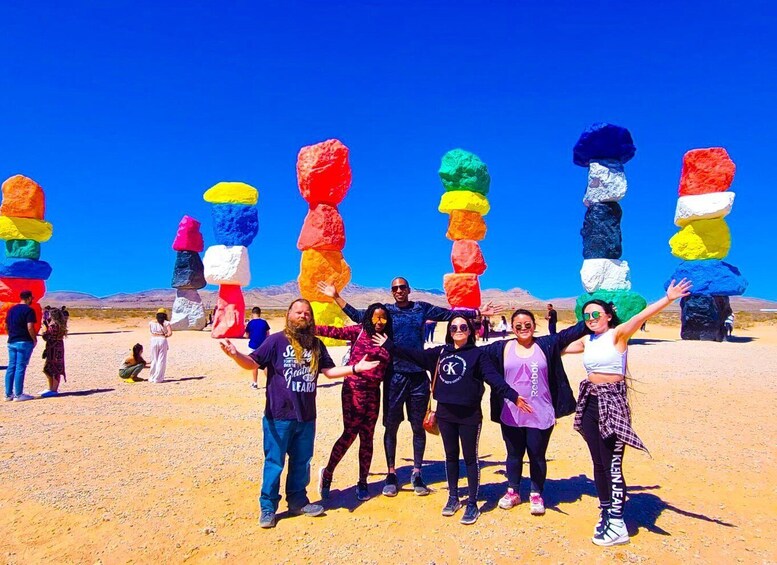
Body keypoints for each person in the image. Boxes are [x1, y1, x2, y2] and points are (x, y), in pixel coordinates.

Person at [317, 277, 492, 498]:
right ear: (392, 292)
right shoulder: (386, 312)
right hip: (394, 376)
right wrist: (335, 297)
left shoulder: (421, 308)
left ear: (409, 289)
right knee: (391, 427)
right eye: (395, 288)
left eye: (402, 287)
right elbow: (360, 317)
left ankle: (417, 472)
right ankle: (391, 474)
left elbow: (449, 315)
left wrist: (476, 313)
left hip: (418, 376)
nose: (399, 290)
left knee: (418, 427)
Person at [219, 298, 380, 528]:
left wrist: (355, 368)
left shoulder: (316, 345)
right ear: (288, 315)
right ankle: (268, 508)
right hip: (279, 415)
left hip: (306, 416)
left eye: (307, 313)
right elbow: (252, 363)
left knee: (302, 461)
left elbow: (329, 371)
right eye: (298, 312)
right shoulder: (275, 341)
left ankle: (297, 501)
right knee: (274, 462)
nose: (303, 316)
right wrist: (235, 354)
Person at [564, 278, 692, 547]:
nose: (591, 318)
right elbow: (557, 348)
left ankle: (618, 523)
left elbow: (644, 315)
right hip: (590, 401)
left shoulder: (618, 334)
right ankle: (606, 510)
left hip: (613, 402)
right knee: (598, 462)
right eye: (587, 315)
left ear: (609, 316)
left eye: (597, 313)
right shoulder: (587, 341)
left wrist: (669, 298)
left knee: (612, 463)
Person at [373, 316, 530, 525]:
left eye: (463, 327)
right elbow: (414, 355)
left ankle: (473, 502)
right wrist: (389, 345)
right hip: (445, 414)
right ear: (449, 330)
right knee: (450, 457)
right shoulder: (440, 353)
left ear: (470, 331)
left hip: (469, 416)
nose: (458, 330)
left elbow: (494, 379)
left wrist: (513, 396)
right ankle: (454, 497)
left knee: (471, 458)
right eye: (454, 327)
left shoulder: (478, 355)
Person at [481, 309, 591, 516]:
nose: (523, 329)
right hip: (511, 412)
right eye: (518, 326)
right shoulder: (500, 348)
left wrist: (594, 316)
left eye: (527, 325)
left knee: (537, 455)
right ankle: (513, 490)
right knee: (513, 454)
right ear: (512, 328)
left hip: (541, 412)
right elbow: (472, 352)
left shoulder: (546, 345)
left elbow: (573, 332)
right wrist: (474, 315)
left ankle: (536, 493)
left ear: (534, 325)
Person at [315, 303, 393, 502]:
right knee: (350, 433)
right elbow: (333, 331)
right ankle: (328, 473)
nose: (379, 322)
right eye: (376, 317)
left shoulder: (388, 340)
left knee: (368, 437)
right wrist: (308, 327)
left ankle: (362, 482)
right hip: (353, 390)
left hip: (374, 393)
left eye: (383, 318)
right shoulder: (358, 332)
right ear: (368, 317)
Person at [4, 290, 38, 402]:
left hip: (12, 341)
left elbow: (6, 325)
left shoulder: (11, 309)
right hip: (24, 341)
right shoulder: (29, 310)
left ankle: (8, 394)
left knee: (11, 367)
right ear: (28, 298)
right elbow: (30, 327)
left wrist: (11, 335)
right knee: (20, 367)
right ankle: (18, 394)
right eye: (31, 298)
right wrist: (34, 339)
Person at [40, 307, 68, 397]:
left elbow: (46, 337)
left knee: (54, 368)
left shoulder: (53, 326)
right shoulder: (59, 324)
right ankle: (51, 388)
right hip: (56, 347)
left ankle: (54, 389)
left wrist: (44, 329)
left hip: (54, 348)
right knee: (49, 368)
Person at [245, 307, 271, 389]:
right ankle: (269, 383)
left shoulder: (250, 323)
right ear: (260, 313)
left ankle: (255, 383)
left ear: (252, 313)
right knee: (266, 364)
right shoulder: (264, 322)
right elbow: (268, 335)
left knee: (254, 365)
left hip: (253, 346)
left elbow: (246, 336)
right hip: (263, 346)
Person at [148, 308, 172, 383]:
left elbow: (151, 331)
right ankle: (158, 378)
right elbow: (170, 333)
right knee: (161, 359)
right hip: (162, 339)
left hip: (153, 339)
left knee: (154, 358)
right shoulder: (166, 323)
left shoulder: (151, 322)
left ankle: (152, 377)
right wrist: (166, 335)